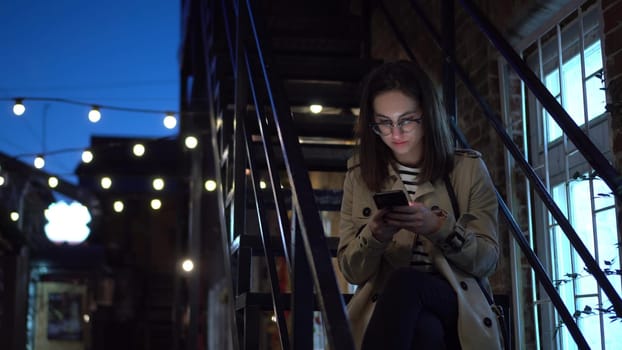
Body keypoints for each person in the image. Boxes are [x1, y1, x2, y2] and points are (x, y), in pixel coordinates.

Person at [337, 60, 503, 350]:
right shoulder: (359, 175)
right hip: (392, 312)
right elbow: (352, 272)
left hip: (456, 302)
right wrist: (375, 236)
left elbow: (487, 260)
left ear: (427, 115)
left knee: (406, 283)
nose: (396, 133)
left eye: (406, 120)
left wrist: (440, 229)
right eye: (384, 123)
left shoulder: (467, 169)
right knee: (425, 331)